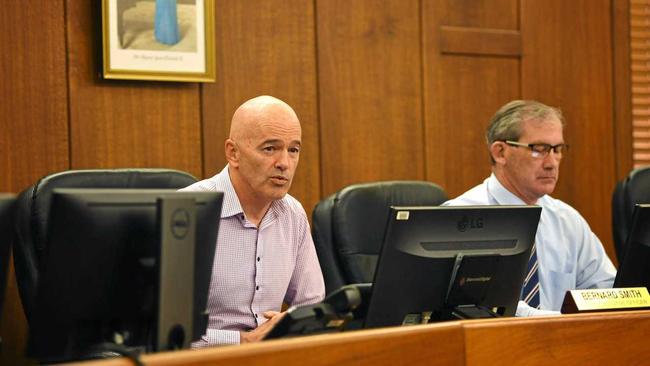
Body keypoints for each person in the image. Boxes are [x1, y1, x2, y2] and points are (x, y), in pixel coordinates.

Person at [444, 100, 616, 316]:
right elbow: (489, 309)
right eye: (539, 150)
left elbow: (606, 289)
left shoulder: (567, 220)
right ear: (500, 153)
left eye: (557, 149)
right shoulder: (462, 219)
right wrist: (562, 320)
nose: (551, 162)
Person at [181, 95, 325, 345]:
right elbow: (160, 330)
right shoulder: (186, 213)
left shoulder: (292, 214)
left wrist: (290, 324)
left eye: (293, 150)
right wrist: (241, 341)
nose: (284, 163)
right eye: (270, 148)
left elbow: (312, 306)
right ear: (233, 153)